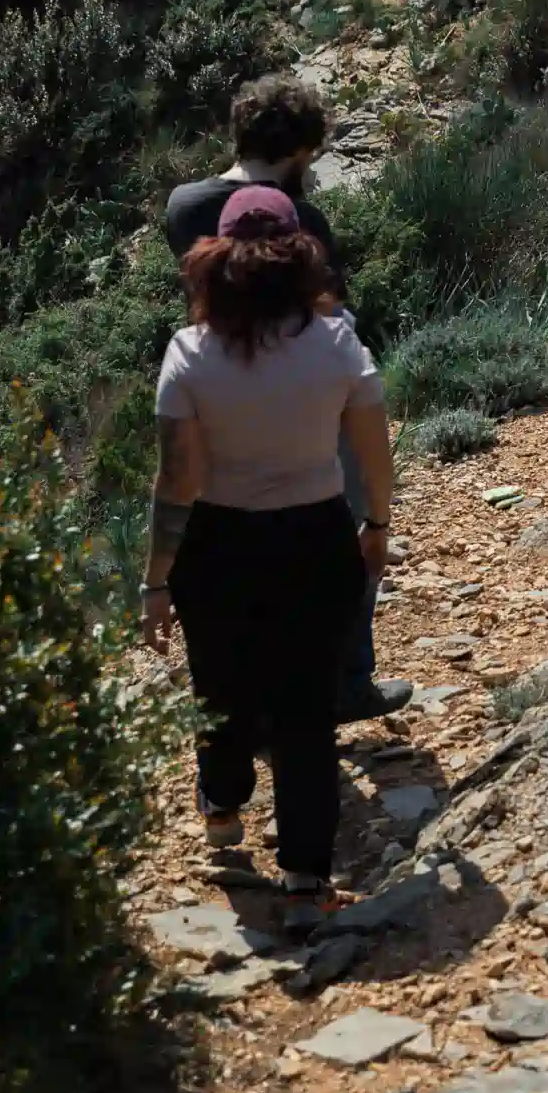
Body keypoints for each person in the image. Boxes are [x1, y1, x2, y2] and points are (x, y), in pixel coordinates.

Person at [140, 186, 394, 927]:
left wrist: (156, 579)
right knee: (306, 709)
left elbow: (176, 480)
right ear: (300, 257)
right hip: (315, 537)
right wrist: (376, 523)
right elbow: (374, 452)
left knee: (220, 682)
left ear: (213, 261)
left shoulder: (188, 354)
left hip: (217, 544)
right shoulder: (339, 343)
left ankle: (222, 806)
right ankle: (306, 881)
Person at [165, 75, 409, 725]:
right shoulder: (302, 217)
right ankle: (348, 681)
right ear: (300, 149)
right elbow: (331, 309)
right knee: (346, 532)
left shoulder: (183, 205)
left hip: (217, 396)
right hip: (308, 401)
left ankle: (260, 704)